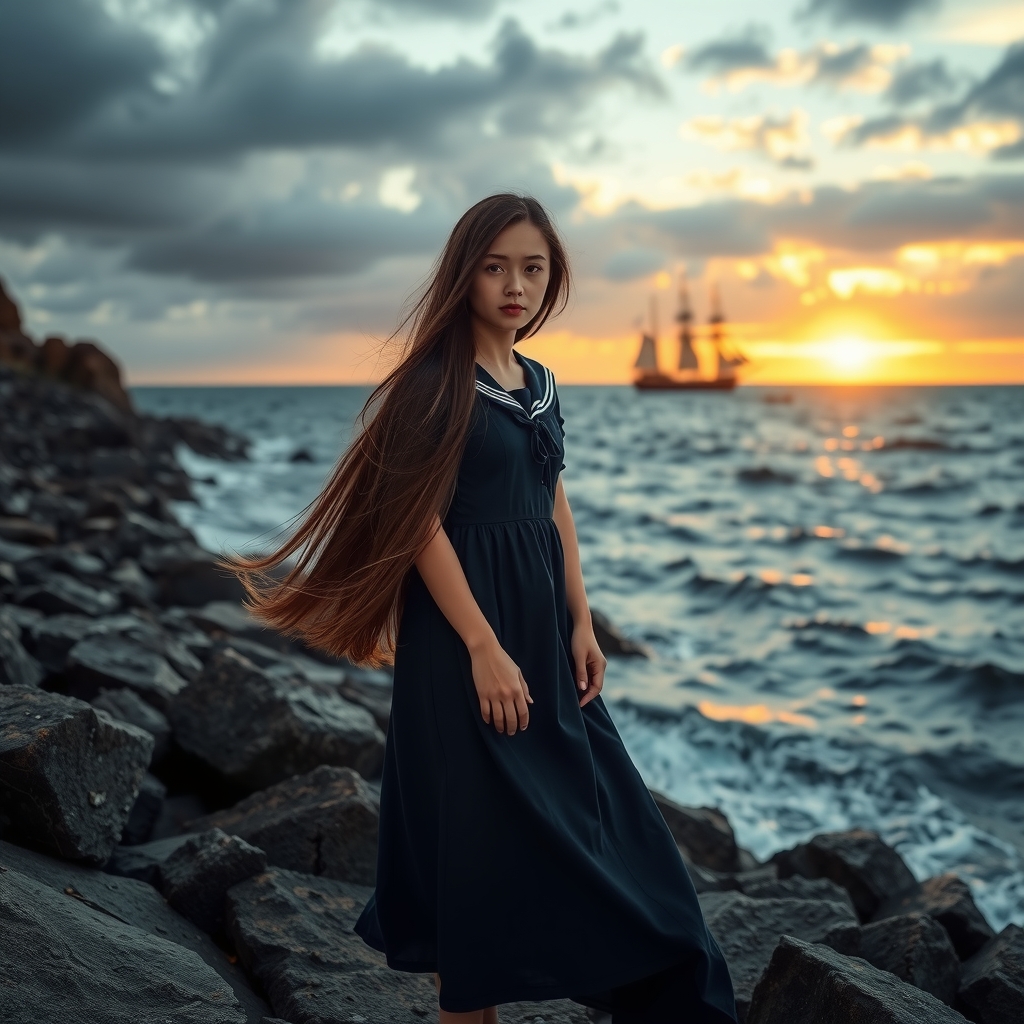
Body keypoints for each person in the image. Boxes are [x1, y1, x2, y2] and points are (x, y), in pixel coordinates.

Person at [234, 193, 737, 1024]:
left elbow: (553, 501)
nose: (515, 284)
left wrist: (581, 620)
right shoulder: (436, 385)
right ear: (464, 272)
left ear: (553, 278)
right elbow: (419, 524)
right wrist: (481, 646)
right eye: (496, 265)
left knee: (624, 839)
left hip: (541, 632)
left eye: (532, 268)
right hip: (466, 640)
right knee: (477, 855)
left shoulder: (537, 381)